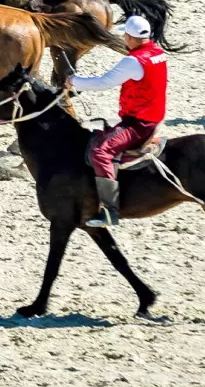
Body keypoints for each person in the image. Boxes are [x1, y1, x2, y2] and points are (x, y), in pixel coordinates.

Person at [70, 15, 168, 228]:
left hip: (139, 124)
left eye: (125, 35)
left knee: (101, 152)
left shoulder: (133, 61)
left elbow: (104, 82)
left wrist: (74, 81)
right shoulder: (158, 53)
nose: (123, 38)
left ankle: (109, 210)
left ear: (131, 37)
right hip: (153, 117)